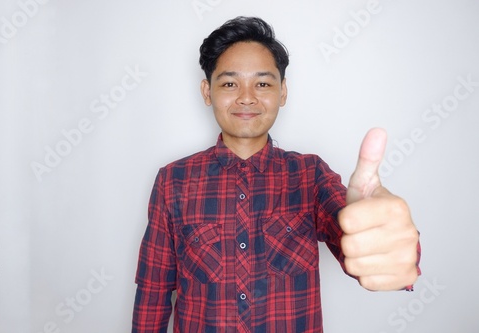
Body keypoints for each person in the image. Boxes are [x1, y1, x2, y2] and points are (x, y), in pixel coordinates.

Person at [132, 16, 421, 333]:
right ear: (207, 91)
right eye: (230, 83)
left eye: (263, 84)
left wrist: (387, 242)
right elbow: (154, 293)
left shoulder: (310, 175)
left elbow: (354, 231)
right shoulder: (173, 181)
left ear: (282, 92)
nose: (246, 97)